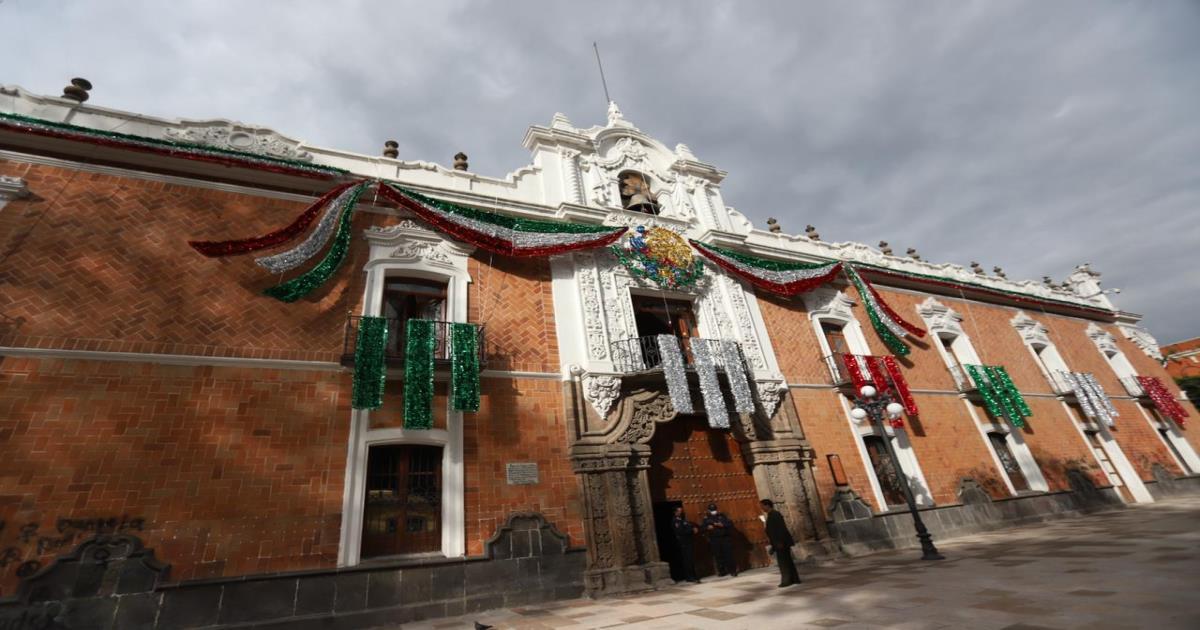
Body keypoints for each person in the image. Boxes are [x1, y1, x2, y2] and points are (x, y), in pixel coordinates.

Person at [760, 499, 800, 587]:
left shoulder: (775, 514)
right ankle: (794, 579)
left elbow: (781, 529)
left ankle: (787, 580)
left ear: (767, 505)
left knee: (783, 562)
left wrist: (780, 542)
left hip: (781, 542)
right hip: (778, 542)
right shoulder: (771, 515)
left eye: (762, 506)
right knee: (787, 561)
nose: (761, 508)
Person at [701, 503, 738, 577]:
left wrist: (723, 525)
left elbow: (730, 524)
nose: (713, 511)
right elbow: (702, 528)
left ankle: (732, 571)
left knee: (729, 555)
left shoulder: (722, 516)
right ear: (709, 510)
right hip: (714, 539)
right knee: (718, 556)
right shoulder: (706, 519)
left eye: (714, 509)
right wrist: (708, 528)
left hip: (725, 538)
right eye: (712, 510)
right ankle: (722, 571)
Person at [672, 505, 701, 583]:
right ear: (675, 512)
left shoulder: (682, 520)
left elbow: (689, 526)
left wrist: (694, 528)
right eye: (679, 511)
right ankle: (690, 577)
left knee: (690, 559)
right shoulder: (675, 521)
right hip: (684, 543)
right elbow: (680, 532)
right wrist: (692, 530)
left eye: (681, 511)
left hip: (689, 542)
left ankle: (693, 576)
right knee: (688, 560)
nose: (681, 512)